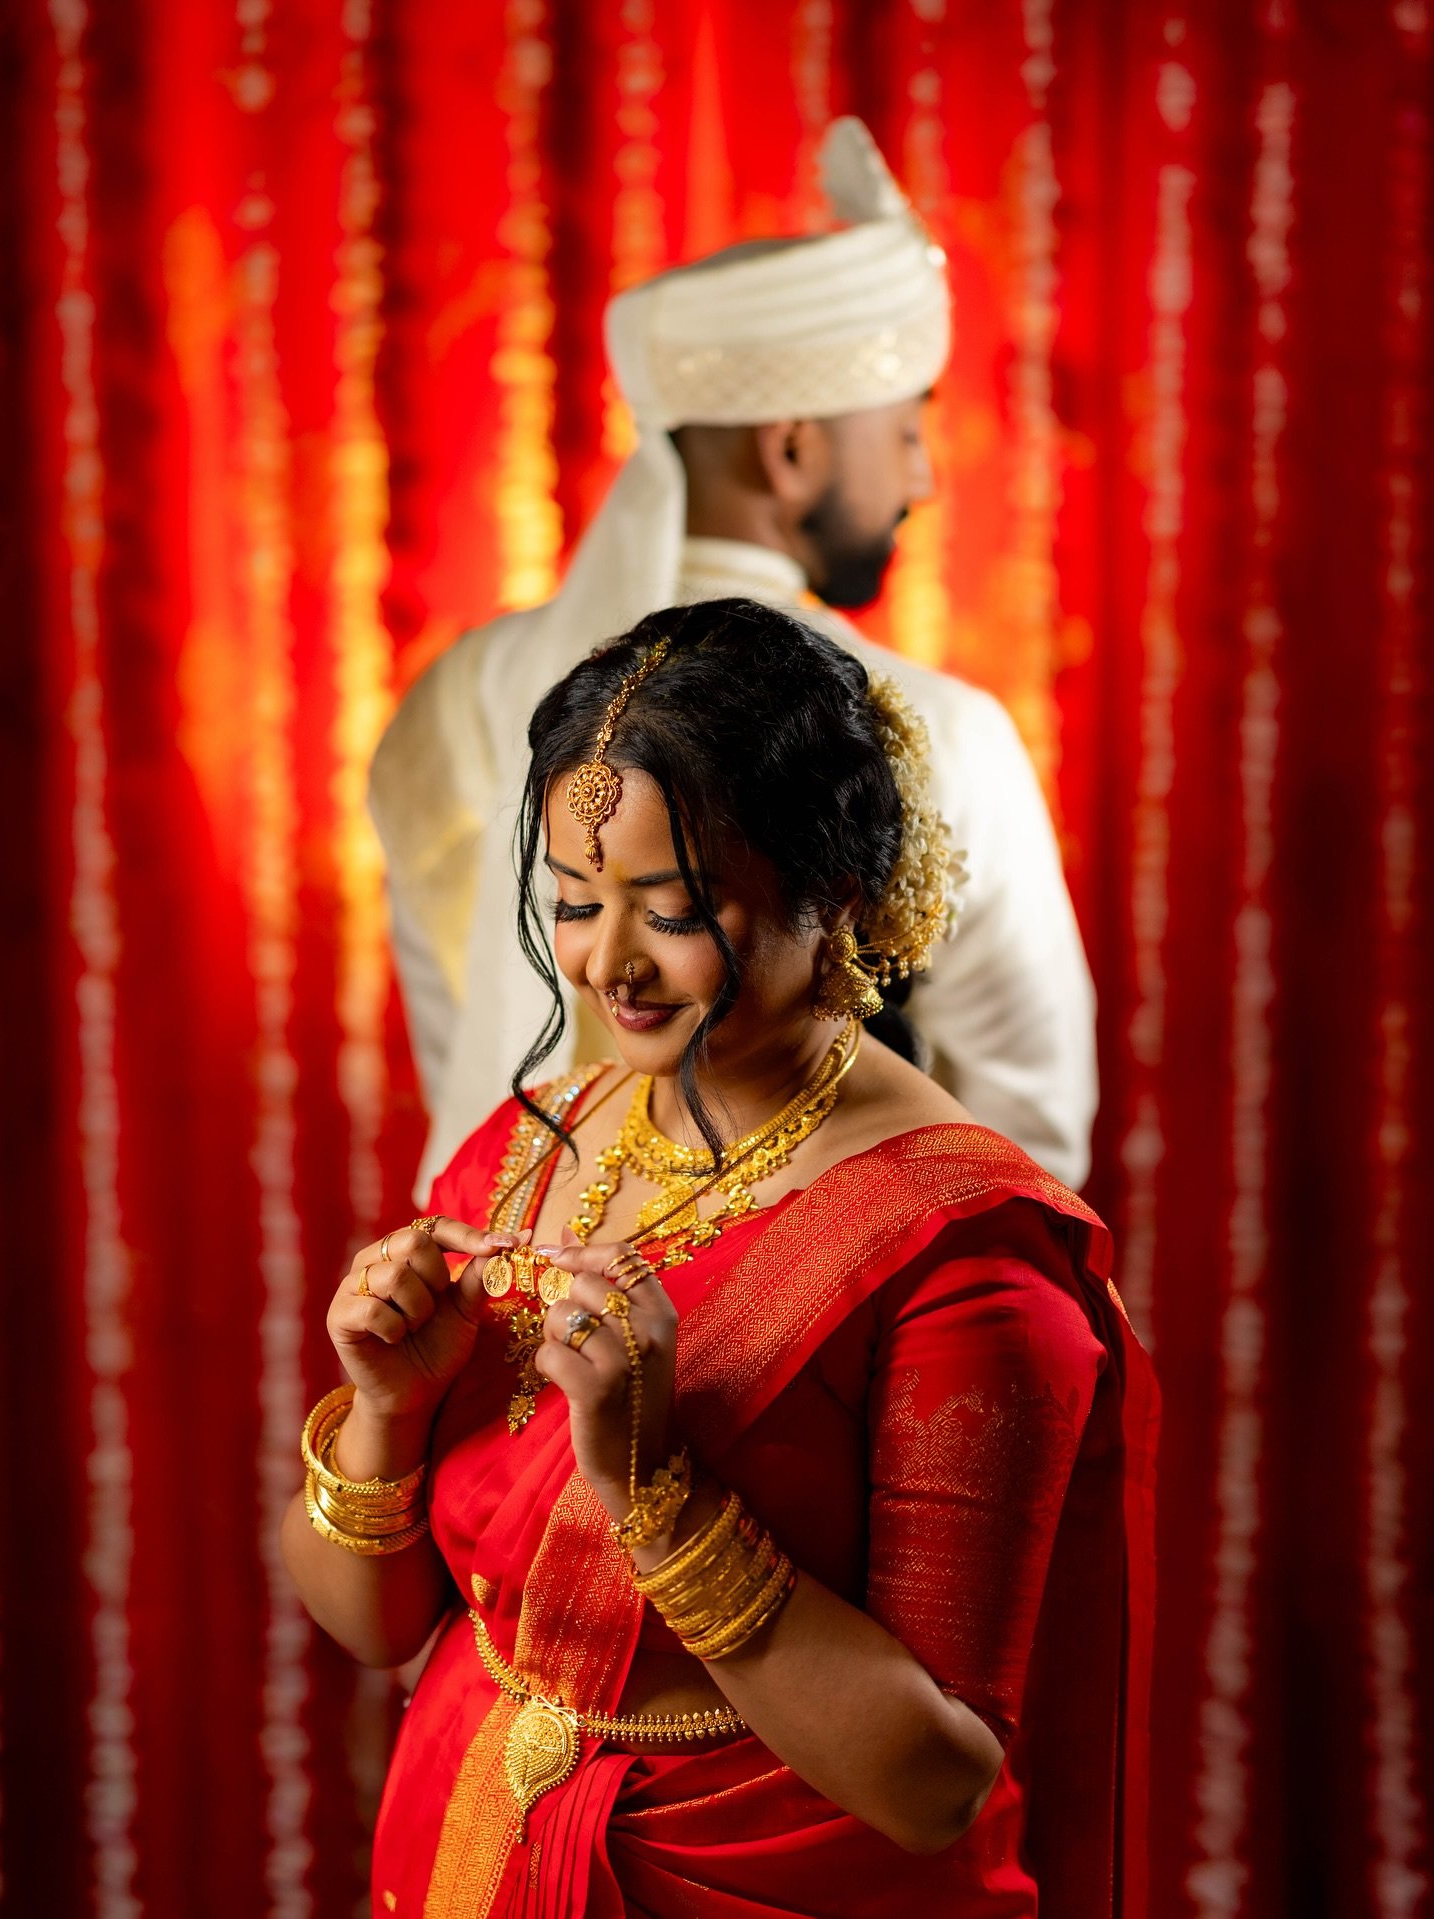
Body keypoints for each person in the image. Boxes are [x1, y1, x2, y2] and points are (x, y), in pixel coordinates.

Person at [286, 600, 1155, 1918]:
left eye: (674, 906)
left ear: (835, 889)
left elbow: (934, 1783)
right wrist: (387, 1414)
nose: (608, 963)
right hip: (468, 1847)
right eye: (575, 902)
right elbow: (377, 1625)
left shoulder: (964, 1260)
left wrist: (655, 1490)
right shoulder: (526, 1151)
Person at [370, 117, 1097, 1202]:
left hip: (522, 1269)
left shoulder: (462, 692)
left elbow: (469, 1060)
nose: (924, 475)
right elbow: (1022, 1135)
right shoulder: (936, 725)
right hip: (842, 1324)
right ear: (793, 444)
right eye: (905, 427)